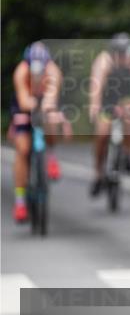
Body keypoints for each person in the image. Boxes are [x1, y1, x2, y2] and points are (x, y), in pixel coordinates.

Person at [9, 42, 69, 222]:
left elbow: (52, 96)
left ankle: (50, 155)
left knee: (51, 120)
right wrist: (32, 107)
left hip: (44, 104)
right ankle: (20, 201)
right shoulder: (21, 71)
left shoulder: (53, 71)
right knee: (22, 149)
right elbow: (23, 100)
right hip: (23, 106)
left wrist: (49, 109)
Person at [88, 33, 130, 197]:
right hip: (108, 99)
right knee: (102, 134)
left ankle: (128, 153)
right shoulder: (104, 61)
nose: (123, 58)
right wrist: (95, 106)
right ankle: (98, 173)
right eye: (120, 54)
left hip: (126, 98)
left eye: (125, 54)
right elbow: (96, 86)